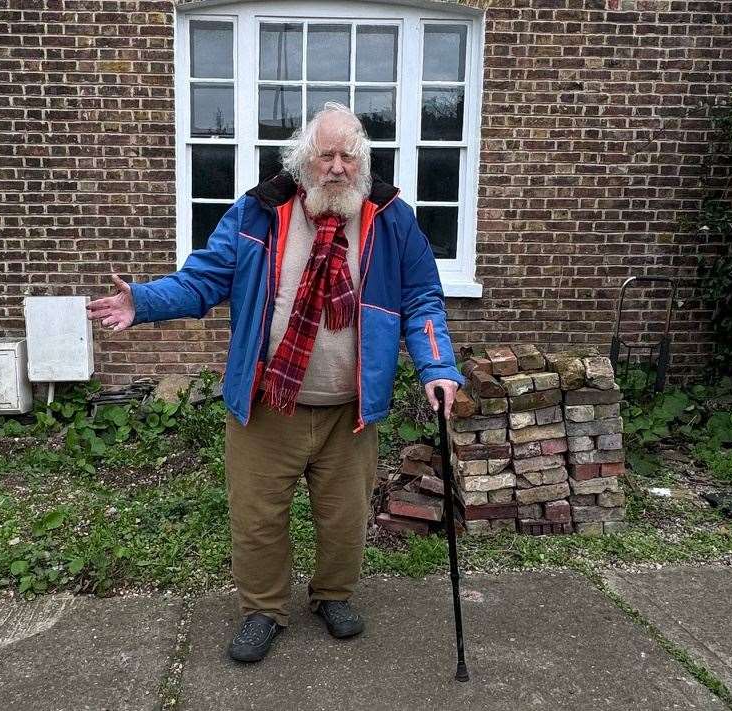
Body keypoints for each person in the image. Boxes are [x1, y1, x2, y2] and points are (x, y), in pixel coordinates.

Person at [87, 103, 463, 663]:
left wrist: (437, 368)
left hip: (348, 409)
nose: (336, 166)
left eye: (347, 155)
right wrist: (141, 301)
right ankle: (263, 609)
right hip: (269, 404)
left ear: (362, 162)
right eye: (325, 154)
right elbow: (201, 283)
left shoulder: (390, 218)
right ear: (302, 159)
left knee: (344, 519)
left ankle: (333, 595)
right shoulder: (258, 214)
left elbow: (421, 299)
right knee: (258, 517)